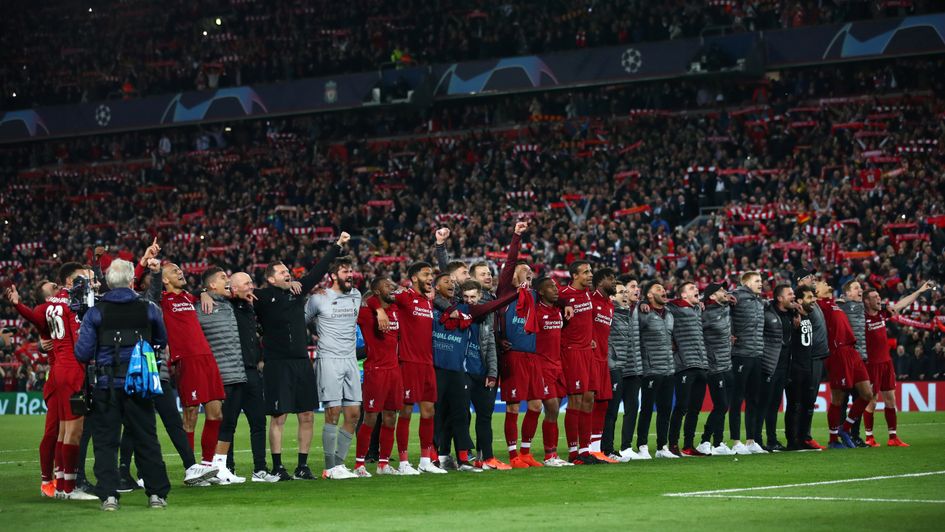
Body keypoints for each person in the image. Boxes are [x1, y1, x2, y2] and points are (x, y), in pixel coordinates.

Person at [73, 259, 173, 511]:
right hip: (139, 384)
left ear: (108, 282)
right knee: (146, 438)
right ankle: (156, 494)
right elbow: (161, 339)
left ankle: (109, 496)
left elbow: (82, 353)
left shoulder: (96, 312)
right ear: (131, 281)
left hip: (106, 385)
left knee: (106, 441)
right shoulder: (148, 308)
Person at [255, 232, 347, 480]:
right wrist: (205, 292)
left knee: (307, 414)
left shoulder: (298, 291)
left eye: (288, 270)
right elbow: (234, 292)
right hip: (277, 363)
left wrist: (337, 246)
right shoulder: (261, 297)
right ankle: (277, 466)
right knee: (279, 416)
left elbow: (318, 270)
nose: (288, 273)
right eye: (283, 271)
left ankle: (302, 466)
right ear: (271, 277)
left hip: (300, 362)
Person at [7, 265, 97, 500]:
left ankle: (58, 484)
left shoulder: (46, 308)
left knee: (60, 432)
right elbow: (81, 342)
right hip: (71, 371)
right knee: (69, 431)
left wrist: (17, 304)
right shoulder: (70, 304)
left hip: (57, 372)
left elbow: (34, 315)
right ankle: (66, 487)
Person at [367, 261, 445, 474]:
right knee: (406, 412)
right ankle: (402, 462)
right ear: (414, 278)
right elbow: (373, 298)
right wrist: (379, 312)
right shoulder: (404, 296)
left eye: (431, 274)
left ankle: (425, 460)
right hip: (407, 363)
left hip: (428, 363)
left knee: (429, 411)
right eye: (426, 274)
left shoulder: (428, 302)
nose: (431, 277)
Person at [158, 261, 226, 473]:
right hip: (186, 359)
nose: (180, 272)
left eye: (180, 269)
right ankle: (191, 467)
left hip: (207, 357)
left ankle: (207, 465)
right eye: (174, 271)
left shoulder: (190, 297)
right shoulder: (162, 300)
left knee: (216, 414)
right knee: (191, 416)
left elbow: (207, 293)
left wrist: (204, 292)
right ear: (164, 280)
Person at [304, 256, 363, 480]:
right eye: (345, 271)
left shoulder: (356, 296)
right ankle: (329, 467)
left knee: (354, 413)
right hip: (329, 358)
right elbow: (303, 320)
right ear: (333, 276)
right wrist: (318, 330)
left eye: (351, 271)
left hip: (350, 360)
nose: (350, 275)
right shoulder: (319, 298)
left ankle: (339, 465)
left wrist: (380, 311)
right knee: (333, 411)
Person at [861, 281, 935, 447]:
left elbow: (902, 304)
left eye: (879, 296)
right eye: (875, 297)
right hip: (871, 364)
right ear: (866, 301)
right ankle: (869, 437)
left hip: (886, 362)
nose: (879, 299)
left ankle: (893, 437)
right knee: (871, 401)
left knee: (890, 400)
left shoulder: (882, 313)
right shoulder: (861, 317)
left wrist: (920, 290)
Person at [197, 267, 249, 484]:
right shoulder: (200, 307)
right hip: (218, 374)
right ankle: (208, 466)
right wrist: (201, 293)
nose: (227, 281)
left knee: (229, 424)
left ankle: (221, 467)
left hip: (237, 372)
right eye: (223, 278)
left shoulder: (232, 304)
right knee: (217, 421)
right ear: (211, 286)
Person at [228, 272, 280, 481]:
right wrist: (205, 293)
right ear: (233, 288)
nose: (252, 287)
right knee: (228, 424)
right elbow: (207, 291)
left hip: (251, 371)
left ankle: (260, 469)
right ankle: (227, 469)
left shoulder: (250, 306)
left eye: (251, 282)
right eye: (247, 283)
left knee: (258, 422)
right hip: (233, 371)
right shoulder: (225, 305)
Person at [814, 281, 873, 449]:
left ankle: (844, 428)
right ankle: (833, 440)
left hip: (852, 351)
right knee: (838, 398)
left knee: (867, 394)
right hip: (837, 352)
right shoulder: (818, 306)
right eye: (822, 283)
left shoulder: (834, 304)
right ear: (817, 292)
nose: (826, 282)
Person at [355, 277, 405, 476]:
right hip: (375, 371)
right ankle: (360, 464)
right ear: (376, 291)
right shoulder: (367, 314)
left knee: (391, 417)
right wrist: (377, 308)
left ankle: (383, 463)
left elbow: (405, 296)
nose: (391, 287)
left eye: (391, 285)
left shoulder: (396, 311)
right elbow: (362, 303)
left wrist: (383, 306)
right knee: (370, 417)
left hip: (394, 371)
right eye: (386, 285)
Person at [559, 260, 602, 464]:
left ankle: (586, 450)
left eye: (590, 271)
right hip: (572, 352)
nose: (590, 275)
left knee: (589, 399)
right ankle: (573, 452)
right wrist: (564, 303)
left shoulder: (587, 293)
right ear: (575, 276)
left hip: (588, 352)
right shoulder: (564, 294)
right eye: (585, 272)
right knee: (575, 400)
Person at [666, 281, 709, 457]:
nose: (696, 290)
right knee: (682, 406)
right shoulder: (674, 308)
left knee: (695, 409)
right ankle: (673, 444)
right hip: (684, 365)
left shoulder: (697, 308)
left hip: (701, 364)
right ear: (683, 295)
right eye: (692, 288)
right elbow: (662, 304)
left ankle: (689, 444)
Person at [603, 279, 644, 461]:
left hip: (627, 366)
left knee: (625, 409)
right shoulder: (609, 312)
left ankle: (618, 448)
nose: (626, 295)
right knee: (610, 411)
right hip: (614, 367)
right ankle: (605, 449)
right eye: (623, 292)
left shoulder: (630, 312)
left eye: (626, 293)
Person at [728, 271, 766, 455]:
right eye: (757, 281)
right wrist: (730, 331)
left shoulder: (759, 301)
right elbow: (721, 306)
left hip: (757, 354)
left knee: (754, 399)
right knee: (737, 398)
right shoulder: (736, 296)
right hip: (740, 354)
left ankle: (751, 440)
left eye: (761, 280)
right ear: (746, 283)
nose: (761, 283)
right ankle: (736, 441)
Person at [636, 281, 675, 459]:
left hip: (668, 368)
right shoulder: (642, 312)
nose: (663, 290)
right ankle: (642, 446)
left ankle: (662, 447)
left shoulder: (669, 314)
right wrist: (639, 303)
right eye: (658, 289)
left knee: (665, 409)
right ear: (649, 295)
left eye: (663, 288)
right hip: (650, 369)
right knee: (646, 409)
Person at [697, 282, 736, 456]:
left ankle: (719, 442)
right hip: (714, 367)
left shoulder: (726, 307)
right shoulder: (705, 314)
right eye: (721, 290)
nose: (725, 291)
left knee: (724, 406)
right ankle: (705, 441)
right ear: (712, 296)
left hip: (727, 365)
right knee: (720, 405)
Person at [793, 269, 828, 450]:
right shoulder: (799, 302)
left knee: (809, 399)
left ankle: (803, 436)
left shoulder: (812, 299)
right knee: (805, 399)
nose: (813, 279)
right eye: (808, 277)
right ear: (799, 282)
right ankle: (802, 437)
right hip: (809, 357)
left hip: (818, 356)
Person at [758, 284, 794, 452]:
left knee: (774, 405)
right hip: (769, 365)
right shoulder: (768, 312)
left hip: (784, 366)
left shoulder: (792, 313)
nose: (793, 296)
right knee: (763, 404)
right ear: (779, 298)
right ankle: (757, 440)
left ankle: (772, 440)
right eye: (789, 294)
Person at [785, 285, 820, 451]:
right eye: (809, 298)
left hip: (808, 367)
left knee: (807, 404)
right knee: (795, 405)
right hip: (795, 368)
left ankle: (803, 439)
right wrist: (794, 314)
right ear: (799, 301)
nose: (813, 300)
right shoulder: (793, 318)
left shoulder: (808, 317)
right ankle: (792, 442)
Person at [588, 268, 617, 463]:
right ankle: (585, 448)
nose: (614, 282)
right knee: (588, 404)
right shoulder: (589, 301)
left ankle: (596, 449)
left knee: (603, 403)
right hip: (589, 360)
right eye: (610, 279)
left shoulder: (610, 305)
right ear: (599, 282)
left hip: (603, 360)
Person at [837, 280, 867, 447]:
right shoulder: (841, 306)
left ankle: (854, 434)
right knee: (842, 399)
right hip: (846, 360)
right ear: (847, 293)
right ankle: (841, 435)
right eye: (856, 288)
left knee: (860, 397)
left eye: (860, 287)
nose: (860, 290)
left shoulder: (864, 307)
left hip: (861, 359)